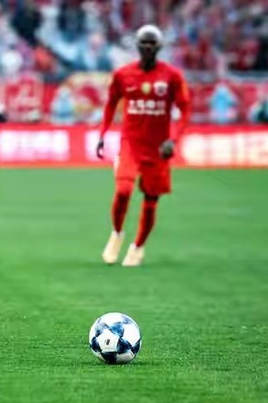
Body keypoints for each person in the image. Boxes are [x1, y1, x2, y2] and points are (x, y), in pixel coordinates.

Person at [97, 25, 190, 267]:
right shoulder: (123, 75)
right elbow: (111, 104)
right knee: (123, 191)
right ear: (137, 46)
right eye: (144, 43)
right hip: (131, 143)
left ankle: (137, 247)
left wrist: (173, 139)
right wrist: (103, 133)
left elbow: (185, 108)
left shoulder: (171, 76)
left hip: (158, 148)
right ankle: (117, 234)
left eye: (152, 44)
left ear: (159, 47)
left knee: (150, 201)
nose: (148, 48)